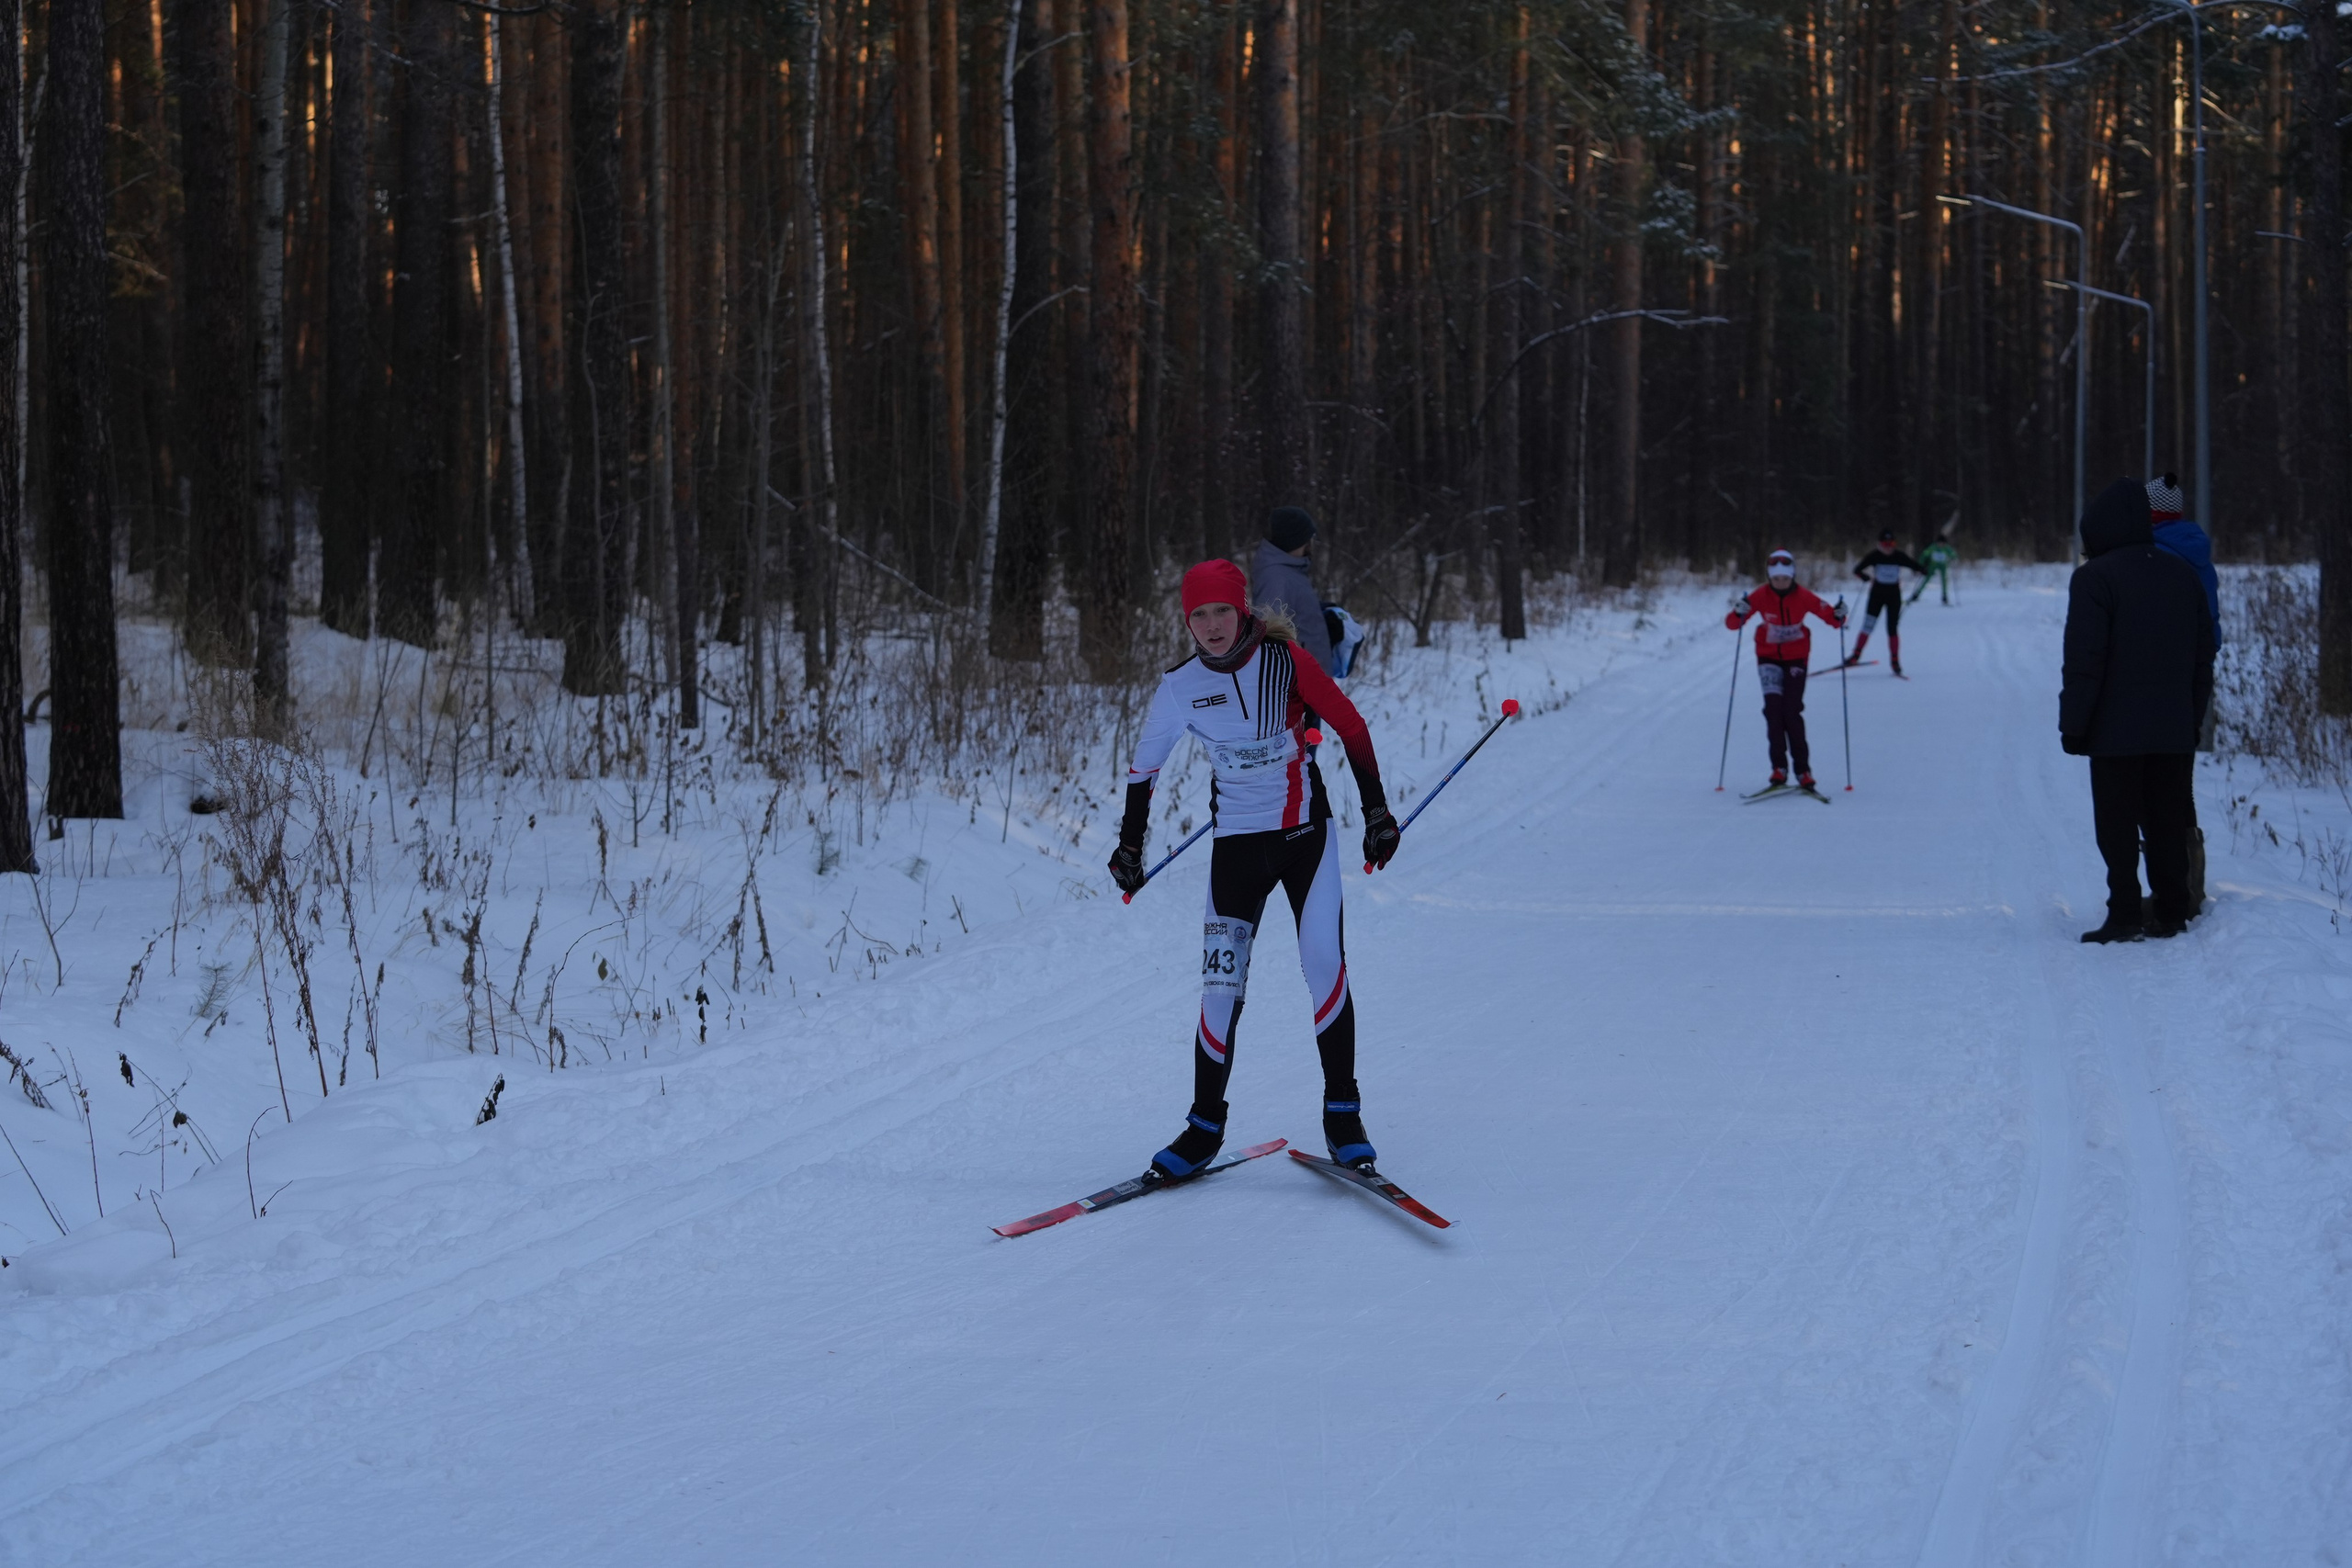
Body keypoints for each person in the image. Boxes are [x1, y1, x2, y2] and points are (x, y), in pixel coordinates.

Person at [1107, 558, 1401, 1181]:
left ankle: (1343, 1114)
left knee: (1323, 961)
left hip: (1304, 838)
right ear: (1186, 619)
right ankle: (1202, 1127)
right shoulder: (1180, 687)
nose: (1211, 625)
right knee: (1220, 988)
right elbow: (1144, 768)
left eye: (1220, 611)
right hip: (1238, 848)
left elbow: (1348, 724)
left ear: (1242, 609)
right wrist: (1129, 847)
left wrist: (1377, 812)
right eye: (1197, 614)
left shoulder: (1284, 662)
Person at [2060, 478, 2217, 943]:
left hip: (2114, 731)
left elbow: (2085, 661)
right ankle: (2172, 909)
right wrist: (2191, 717)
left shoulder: (2095, 578)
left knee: (2117, 823)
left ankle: (2125, 913)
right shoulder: (2181, 573)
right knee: (2166, 817)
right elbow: (2202, 655)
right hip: (2172, 726)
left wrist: (2075, 725)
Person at [2144, 473, 2222, 909]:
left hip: (2166, 675)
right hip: (2198, 671)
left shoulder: (2157, 553)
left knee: (2155, 782)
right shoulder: (2197, 549)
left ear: (2150, 513)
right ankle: (2191, 880)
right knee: (2179, 778)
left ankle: (2175, 889)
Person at [1725, 549, 1848, 792]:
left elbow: (1831, 618)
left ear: (1792, 577)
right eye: (1776, 579)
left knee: (1791, 712)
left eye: (1785, 578)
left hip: (1796, 658)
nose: (1781, 583)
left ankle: (1803, 771)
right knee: (1773, 711)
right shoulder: (1760, 595)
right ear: (1769, 578)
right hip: (1768, 657)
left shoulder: (1804, 596)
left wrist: (1840, 614)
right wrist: (1738, 611)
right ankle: (1779, 769)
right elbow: (1732, 624)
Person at [1251, 506, 1338, 675]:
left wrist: (1318, 613)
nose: (1311, 543)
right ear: (1297, 540)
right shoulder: (1276, 578)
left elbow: (1290, 611)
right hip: (1300, 682)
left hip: (1312, 678)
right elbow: (1272, 634)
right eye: (1309, 537)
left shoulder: (1290, 570)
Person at [1845, 527, 1931, 674]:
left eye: (1891, 544)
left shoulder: (1898, 556)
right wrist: (1864, 577)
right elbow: (1857, 570)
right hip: (1876, 596)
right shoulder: (1874, 556)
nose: (1889, 548)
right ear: (1879, 544)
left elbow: (1915, 566)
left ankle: (1895, 661)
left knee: (1892, 629)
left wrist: (1923, 569)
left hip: (1893, 597)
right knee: (1868, 626)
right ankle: (1856, 656)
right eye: (1885, 544)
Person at [1910, 538, 1958, 605]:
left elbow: (1953, 554)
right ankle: (1917, 594)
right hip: (1932, 565)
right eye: (1940, 543)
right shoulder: (1933, 547)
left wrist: (1953, 557)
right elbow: (1925, 554)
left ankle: (1944, 596)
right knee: (1926, 579)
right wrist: (1921, 564)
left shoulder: (1946, 548)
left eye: (1943, 544)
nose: (1941, 545)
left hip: (1943, 565)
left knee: (1944, 580)